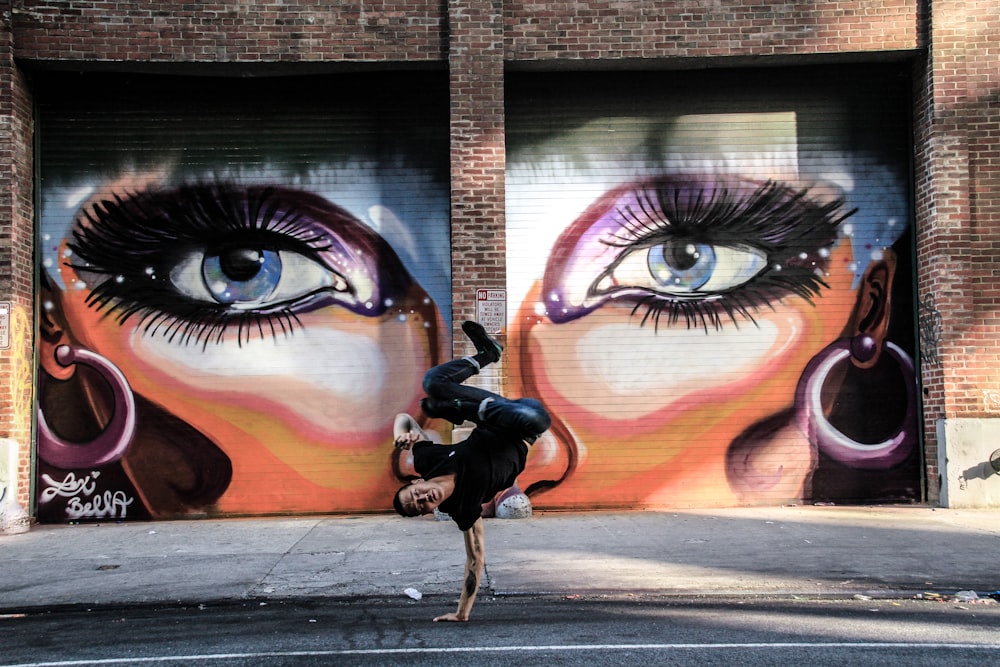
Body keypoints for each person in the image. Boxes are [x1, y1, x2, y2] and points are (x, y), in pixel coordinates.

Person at [392, 320, 551, 622]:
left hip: (494, 413)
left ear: (417, 482)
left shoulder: (429, 461)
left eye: (415, 494)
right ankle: (451, 407)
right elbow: (475, 559)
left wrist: (403, 433)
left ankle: (487, 354)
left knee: (432, 384)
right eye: (421, 505)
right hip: (526, 424)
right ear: (432, 509)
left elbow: (403, 418)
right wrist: (461, 612)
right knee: (436, 404)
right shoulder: (462, 508)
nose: (423, 497)